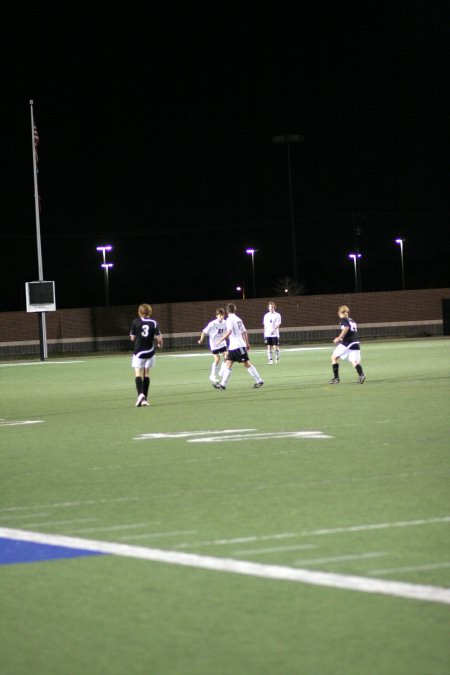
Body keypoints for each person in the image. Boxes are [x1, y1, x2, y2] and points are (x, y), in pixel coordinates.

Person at [213, 303, 264, 390]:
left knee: (246, 363)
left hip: (238, 346)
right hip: (234, 346)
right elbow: (244, 332)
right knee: (228, 363)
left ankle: (259, 380)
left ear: (227, 311)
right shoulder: (238, 319)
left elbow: (229, 332)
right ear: (234, 310)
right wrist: (247, 343)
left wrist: (220, 340)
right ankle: (223, 384)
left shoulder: (229, 320)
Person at [130, 303, 163, 406]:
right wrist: (159, 344)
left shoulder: (136, 321)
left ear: (139, 312)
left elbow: (132, 338)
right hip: (150, 352)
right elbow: (159, 339)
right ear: (149, 311)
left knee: (138, 374)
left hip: (139, 352)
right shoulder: (154, 322)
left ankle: (140, 395)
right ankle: (145, 399)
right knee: (146, 374)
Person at [329, 305, 366, 384]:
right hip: (355, 342)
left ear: (339, 312)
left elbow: (346, 328)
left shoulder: (343, 319)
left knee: (334, 357)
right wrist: (343, 337)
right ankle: (361, 375)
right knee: (354, 361)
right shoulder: (351, 320)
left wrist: (339, 338)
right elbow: (351, 331)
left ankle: (336, 378)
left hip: (348, 342)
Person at [198, 308, 228, 383]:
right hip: (214, 344)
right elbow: (204, 332)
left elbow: (228, 330)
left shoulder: (225, 322)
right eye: (220, 315)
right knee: (217, 359)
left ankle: (221, 371)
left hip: (222, 342)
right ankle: (212, 376)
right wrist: (201, 339)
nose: (221, 317)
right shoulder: (212, 323)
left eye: (222, 315)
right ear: (216, 316)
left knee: (227, 356)